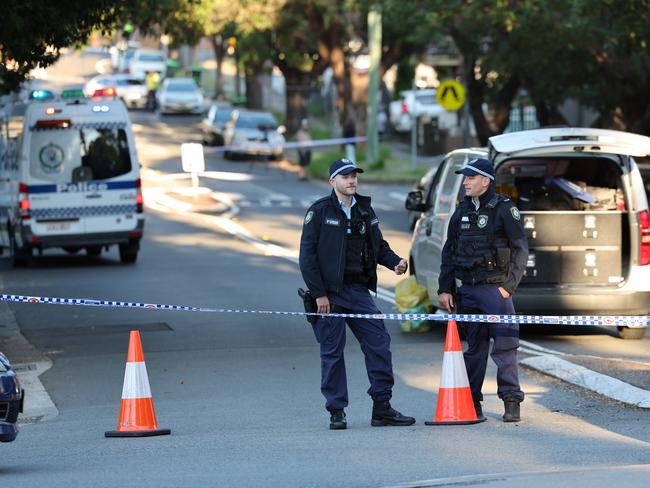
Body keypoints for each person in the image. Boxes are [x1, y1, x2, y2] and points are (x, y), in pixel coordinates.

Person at [299, 158, 415, 430]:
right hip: (329, 295)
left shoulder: (364, 208)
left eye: (354, 176)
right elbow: (307, 258)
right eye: (345, 176)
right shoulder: (319, 212)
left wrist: (395, 261)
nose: (351, 181)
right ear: (333, 182)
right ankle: (337, 411)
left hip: (358, 292)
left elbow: (378, 244)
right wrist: (319, 294)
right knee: (332, 352)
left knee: (379, 344)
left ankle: (382, 408)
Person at [438, 158, 528, 422]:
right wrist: (445, 288)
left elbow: (521, 249)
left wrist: (507, 288)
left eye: (470, 178)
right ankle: (472, 402)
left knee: (505, 347)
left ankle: (511, 401)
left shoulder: (503, 209)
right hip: (468, 290)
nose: (465, 182)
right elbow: (449, 251)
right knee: (474, 348)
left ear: (485, 181)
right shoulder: (461, 210)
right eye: (465, 178)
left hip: (495, 289)